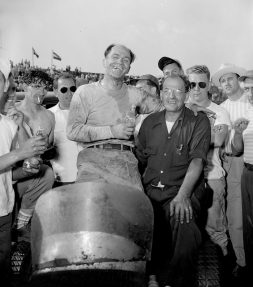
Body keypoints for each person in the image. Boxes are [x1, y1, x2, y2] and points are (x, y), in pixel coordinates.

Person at [135, 74, 211, 287]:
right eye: (167, 90)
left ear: (186, 94)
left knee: (184, 222)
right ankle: (147, 281)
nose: (172, 96)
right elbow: (140, 158)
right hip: (150, 192)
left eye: (178, 91)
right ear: (160, 93)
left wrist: (183, 195)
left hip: (181, 190)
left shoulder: (198, 121)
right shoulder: (149, 122)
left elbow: (197, 160)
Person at [67, 44, 162, 190]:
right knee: (90, 209)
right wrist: (113, 131)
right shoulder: (85, 92)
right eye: (115, 57)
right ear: (104, 61)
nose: (120, 62)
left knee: (135, 209)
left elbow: (167, 107)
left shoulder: (135, 94)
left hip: (125, 163)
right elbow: (73, 130)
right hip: (92, 162)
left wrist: (194, 106)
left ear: (129, 68)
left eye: (125, 60)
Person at [0, 61, 54, 284]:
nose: (39, 92)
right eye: (34, 86)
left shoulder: (46, 116)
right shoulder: (13, 114)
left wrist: (37, 150)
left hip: (9, 192)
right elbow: (17, 152)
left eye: (43, 87)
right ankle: (22, 222)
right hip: (12, 178)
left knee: (44, 170)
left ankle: (22, 223)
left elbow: (41, 150)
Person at [186, 65, 231, 256]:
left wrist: (187, 138)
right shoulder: (178, 108)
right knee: (185, 233)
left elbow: (219, 140)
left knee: (216, 230)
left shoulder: (219, 111)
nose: (196, 88)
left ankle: (226, 278)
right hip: (183, 179)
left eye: (201, 83)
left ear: (209, 85)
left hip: (211, 177)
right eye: (192, 83)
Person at [212, 63, 248, 280]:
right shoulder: (221, 108)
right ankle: (242, 263)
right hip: (233, 163)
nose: (226, 83)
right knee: (236, 216)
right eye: (222, 80)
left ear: (238, 80)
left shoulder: (250, 102)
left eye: (230, 78)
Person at [231, 70, 253, 287]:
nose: (251, 93)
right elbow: (237, 149)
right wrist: (237, 133)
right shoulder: (248, 111)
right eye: (248, 89)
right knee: (249, 229)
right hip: (248, 172)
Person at [49, 72, 80, 185]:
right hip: (62, 178)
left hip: (86, 176)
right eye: (63, 90)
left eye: (72, 88)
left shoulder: (86, 113)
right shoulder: (49, 115)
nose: (69, 93)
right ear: (55, 92)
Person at [15, 68, 55, 145]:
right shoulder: (11, 112)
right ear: (25, 87)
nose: (42, 92)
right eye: (37, 86)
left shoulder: (50, 116)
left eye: (45, 88)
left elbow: (48, 152)